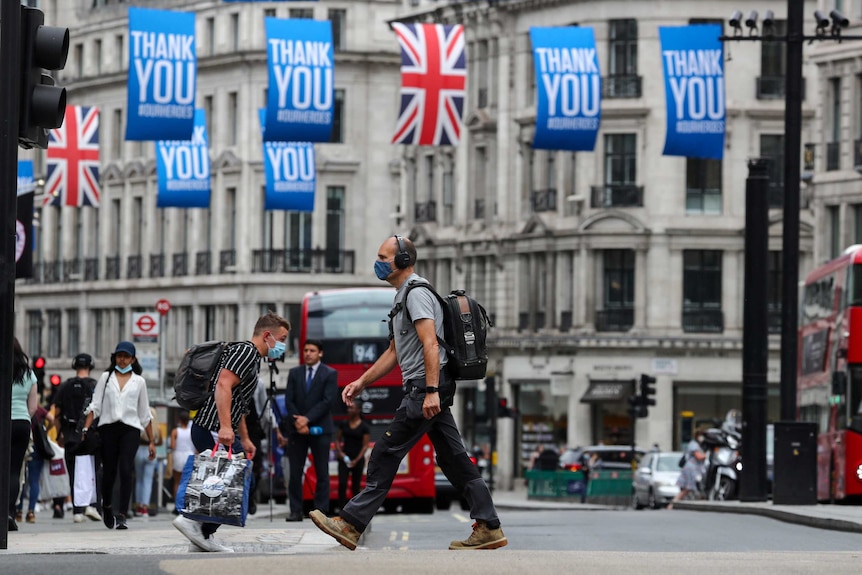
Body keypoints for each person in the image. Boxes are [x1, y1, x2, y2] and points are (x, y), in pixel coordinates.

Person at [309, 235, 507, 551]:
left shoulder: (416, 294)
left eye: (383, 257)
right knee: (454, 459)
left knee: (385, 451)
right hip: (429, 387)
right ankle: (488, 526)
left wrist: (429, 391)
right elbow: (393, 351)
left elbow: (430, 343)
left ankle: (350, 523)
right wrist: (362, 382)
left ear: (403, 260)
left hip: (424, 389)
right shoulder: (402, 296)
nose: (378, 262)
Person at [172, 311, 290, 553]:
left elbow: (239, 403)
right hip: (212, 426)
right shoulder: (246, 352)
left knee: (227, 478)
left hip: (217, 427)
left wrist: (244, 437)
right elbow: (223, 385)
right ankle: (193, 522)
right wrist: (226, 427)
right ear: (267, 335)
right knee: (235, 479)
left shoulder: (252, 358)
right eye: (282, 338)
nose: (283, 345)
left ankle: (201, 535)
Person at [82, 341, 156, 530]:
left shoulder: (139, 381)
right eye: (119, 356)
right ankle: (107, 506)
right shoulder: (106, 377)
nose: (122, 360)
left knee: (125, 469)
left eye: (126, 356)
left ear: (133, 359)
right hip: (108, 428)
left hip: (130, 429)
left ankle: (122, 513)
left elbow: (144, 413)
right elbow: (95, 406)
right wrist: (85, 429)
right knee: (109, 472)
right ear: (114, 357)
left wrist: (152, 441)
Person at [281, 339, 338, 521]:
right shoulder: (295, 373)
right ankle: (295, 510)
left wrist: (307, 419)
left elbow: (327, 401)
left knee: (322, 472)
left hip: (321, 429)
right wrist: (299, 421)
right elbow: (289, 400)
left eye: (312, 350)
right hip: (297, 430)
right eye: (305, 350)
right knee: (295, 472)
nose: (308, 353)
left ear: (320, 353)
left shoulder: (330, 373)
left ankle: (320, 512)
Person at [52, 352, 102, 523]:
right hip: (90, 434)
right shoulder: (95, 385)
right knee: (92, 470)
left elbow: (57, 413)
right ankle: (93, 506)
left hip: (70, 435)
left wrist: (60, 434)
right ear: (91, 366)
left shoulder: (65, 386)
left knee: (73, 472)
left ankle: (77, 511)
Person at [8, 338, 39, 532]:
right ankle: (10, 513)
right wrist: (23, 417)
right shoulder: (29, 374)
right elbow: (33, 407)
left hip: (4, 423)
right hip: (21, 424)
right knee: (14, 471)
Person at [16, 404, 55, 524]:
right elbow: (51, 419)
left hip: (23, 445)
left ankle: (19, 511)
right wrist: (45, 431)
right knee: (34, 480)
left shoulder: (19, 408)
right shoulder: (37, 409)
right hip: (37, 448)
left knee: (21, 479)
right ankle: (31, 511)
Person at [334, 402, 370, 512]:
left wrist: (356, 460)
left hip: (357, 459)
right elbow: (337, 439)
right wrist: (340, 453)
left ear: (358, 410)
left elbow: (365, 446)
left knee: (355, 485)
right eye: (348, 408)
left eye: (352, 408)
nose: (349, 410)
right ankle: (342, 509)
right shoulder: (343, 424)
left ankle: (355, 510)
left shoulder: (364, 426)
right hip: (344, 458)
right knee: (342, 483)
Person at [668, 427, 708, 510]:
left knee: (690, 489)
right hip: (692, 469)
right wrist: (707, 455)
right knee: (688, 488)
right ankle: (672, 504)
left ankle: (673, 504)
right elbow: (698, 456)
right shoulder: (694, 445)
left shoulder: (695, 444)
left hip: (692, 468)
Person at [134, 406, 162, 517]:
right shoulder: (156, 427)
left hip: (139, 449)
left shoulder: (140, 425)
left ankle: (139, 506)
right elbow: (160, 441)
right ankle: (145, 507)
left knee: (139, 479)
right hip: (151, 450)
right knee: (148, 480)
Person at [170, 410, 195, 513]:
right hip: (189, 455)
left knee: (177, 481)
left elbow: (172, 446)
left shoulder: (175, 431)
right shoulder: (191, 431)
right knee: (188, 482)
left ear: (179, 420)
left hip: (178, 455)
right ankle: (186, 504)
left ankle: (177, 505)